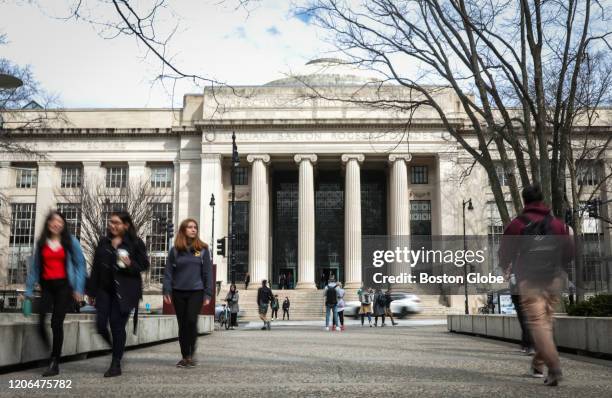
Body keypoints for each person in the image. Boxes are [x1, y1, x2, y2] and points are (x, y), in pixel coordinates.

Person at [499, 184, 573, 387]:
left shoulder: (517, 224)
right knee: (546, 323)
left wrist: (506, 267)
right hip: (554, 278)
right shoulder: (557, 224)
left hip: (530, 280)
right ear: (543, 200)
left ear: (524, 201)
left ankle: (554, 366)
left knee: (538, 323)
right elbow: (569, 251)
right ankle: (538, 363)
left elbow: (505, 251)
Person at [25, 210, 86, 377]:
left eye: (60, 221)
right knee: (40, 321)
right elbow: (36, 268)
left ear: (64, 224)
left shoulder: (70, 241)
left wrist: (79, 288)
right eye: (53, 221)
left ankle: (54, 361)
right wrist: (29, 289)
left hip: (64, 286)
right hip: (47, 286)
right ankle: (48, 349)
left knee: (56, 322)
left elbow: (81, 265)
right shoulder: (42, 242)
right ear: (48, 224)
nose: (56, 224)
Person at [88, 211, 149, 378]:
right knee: (101, 325)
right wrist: (91, 291)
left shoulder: (135, 243)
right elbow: (95, 268)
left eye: (116, 222)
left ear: (126, 225)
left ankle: (116, 363)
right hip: (104, 290)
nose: (112, 225)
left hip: (126, 291)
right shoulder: (103, 242)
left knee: (116, 325)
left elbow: (144, 264)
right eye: (110, 222)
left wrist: (130, 264)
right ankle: (115, 347)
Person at [163, 218, 213, 368]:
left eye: (195, 227)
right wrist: (167, 290)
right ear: (183, 230)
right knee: (182, 324)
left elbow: (207, 273)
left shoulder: (202, 249)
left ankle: (191, 353)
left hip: (196, 292)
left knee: (191, 321)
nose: (193, 229)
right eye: (190, 227)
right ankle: (185, 356)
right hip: (178, 292)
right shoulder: (175, 250)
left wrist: (208, 293)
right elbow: (169, 272)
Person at [509, 273, 534, 355]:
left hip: (524, 302)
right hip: (522, 302)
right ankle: (528, 346)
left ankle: (527, 346)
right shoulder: (514, 277)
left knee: (525, 323)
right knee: (525, 323)